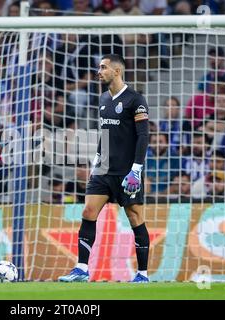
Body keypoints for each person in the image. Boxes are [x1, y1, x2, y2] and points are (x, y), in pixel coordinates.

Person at [58, 54, 150, 283]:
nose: (99, 71)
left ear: (117, 71)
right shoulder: (102, 99)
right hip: (104, 169)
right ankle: (81, 269)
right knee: (88, 212)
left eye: (103, 67)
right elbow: (105, 134)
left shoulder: (135, 100)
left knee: (135, 217)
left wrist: (136, 169)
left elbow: (143, 136)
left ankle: (142, 274)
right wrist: (96, 160)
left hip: (127, 171)